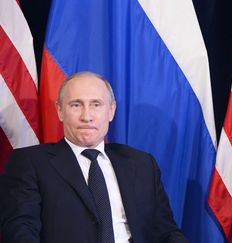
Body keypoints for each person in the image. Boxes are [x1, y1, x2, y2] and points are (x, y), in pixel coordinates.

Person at [0, 72, 187, 243]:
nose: (87, 116)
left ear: (111, 111)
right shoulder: (31, 163)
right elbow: (20, 232)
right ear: (59, 110)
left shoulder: (142, 163)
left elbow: (166, 231)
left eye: (96, 105)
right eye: (76, 105)